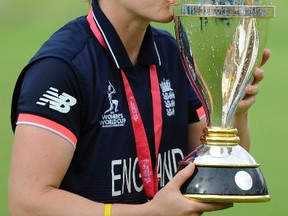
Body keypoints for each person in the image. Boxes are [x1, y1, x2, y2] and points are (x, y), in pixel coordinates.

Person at [8, 0, 270, 215]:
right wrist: (149, 213)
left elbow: (217, 168)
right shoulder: (61, 68)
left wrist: (234, 110)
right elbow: (27, 203)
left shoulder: (171, 52)